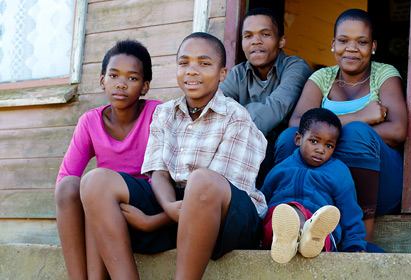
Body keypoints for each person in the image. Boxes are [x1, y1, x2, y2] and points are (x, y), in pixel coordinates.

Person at [79, 32, 268, 280]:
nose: (191, 71)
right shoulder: (165, 112)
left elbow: (215, 192)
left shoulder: (235, 116)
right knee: (95, 181)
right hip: (175, 209)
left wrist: (152, 221)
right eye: (184, 62)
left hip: (228, 217)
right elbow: (159, 172)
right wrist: (168, 207)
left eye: (204, 63)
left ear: (222, 74)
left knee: (201, 181)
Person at [275, 9, 408, 244]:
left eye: (362, 42)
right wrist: (360, 115)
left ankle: (362, 242)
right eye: (344, 41)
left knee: (357, 134)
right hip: (328, 181)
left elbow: (397, 131)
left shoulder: (384, 74)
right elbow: (297, 124)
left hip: (379, 185)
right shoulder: (322, 78)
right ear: (333, 44)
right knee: (289, 138)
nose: (352, 48)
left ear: (373, 46)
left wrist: (334, 137)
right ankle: (291, 221)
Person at [54, 39, 161, 279]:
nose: (121, 84)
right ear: (103, 81)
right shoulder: (90, 122)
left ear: (144, 86)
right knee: (68, 186)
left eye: (132, 78)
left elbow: (171, 175)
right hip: (103, 201)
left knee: (96, 186)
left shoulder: (157, 114)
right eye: (113, 76)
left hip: (147, 201)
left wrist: (155, 218)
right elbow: (65, 178)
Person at [219, 7, 313, 188]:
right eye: (248, 36)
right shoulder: (237, 74)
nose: (256, 42)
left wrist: (232, 119)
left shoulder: (296, 68)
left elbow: (273, 110)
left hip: (284, 152)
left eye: (265, 34)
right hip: (244, 150)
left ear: (281, 41)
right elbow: (214, 109)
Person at [261, 108, 366, 264]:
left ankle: (307, 238)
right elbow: (262, 201)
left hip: (321, 231)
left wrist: (354, 246)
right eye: (314, 141)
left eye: (329, 146)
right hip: (278, 224)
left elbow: (350, 212)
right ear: (298, 139)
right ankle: (293, 237)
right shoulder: (281, 168)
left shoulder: (338, 172)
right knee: (285, 212)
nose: (320, 150)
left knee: (319, 219)